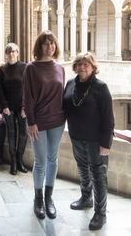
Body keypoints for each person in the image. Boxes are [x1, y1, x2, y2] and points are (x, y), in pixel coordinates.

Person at [63, 53, 114, 230]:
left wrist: (106, 144)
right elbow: (64, 108)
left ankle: (101, 213)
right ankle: (86, 199)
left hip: (95, 140)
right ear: (75, 66)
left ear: (93, 67)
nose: (82, 67)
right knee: (83, 169)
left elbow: (108, 118)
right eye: (79, 64)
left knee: (98, 176)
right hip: (76, 136)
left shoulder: (101, 87)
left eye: (86, 64)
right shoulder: (70, 84)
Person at [23, 30, 65, 220]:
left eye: (52, 43)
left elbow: (62, 95)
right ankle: (38, 198)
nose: (50, 46)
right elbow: (28, 98)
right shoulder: (31, 68)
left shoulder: (60, 68)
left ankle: (49, 198)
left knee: (52, 159)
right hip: (38, 122)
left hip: (57, 121)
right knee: (40, 162)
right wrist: (31, 122)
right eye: (46, 43)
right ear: (39, 46)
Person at [0, 43, 28, 175]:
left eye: (14, 51)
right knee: (11, 133)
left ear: (18, 53)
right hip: (8, 108)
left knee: (24, 133)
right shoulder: (3, 69)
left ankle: (20, 159)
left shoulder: (24, 67)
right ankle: (13, 162)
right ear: (6, 54)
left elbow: (28, 88)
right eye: (9, 51)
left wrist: (25, 106)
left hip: (22, 107)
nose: (11, 53)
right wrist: (4, 106)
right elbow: (0, 89)